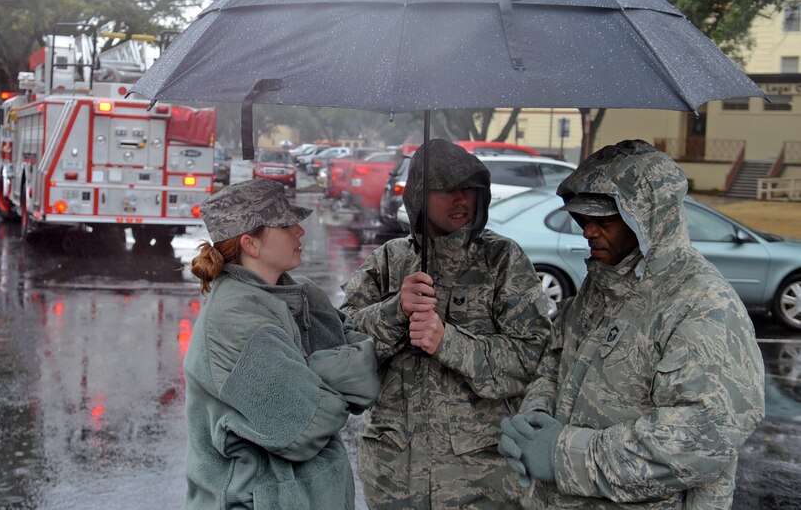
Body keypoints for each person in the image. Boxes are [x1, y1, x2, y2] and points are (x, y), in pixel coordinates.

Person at [499, 139, 765, 509]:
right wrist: (535, 418)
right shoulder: (601, 284)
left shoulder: (702, 305)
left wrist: (564, 455)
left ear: (647, 219)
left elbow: (704, 439)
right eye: (584, 219)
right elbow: (555, 364)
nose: (588, 232)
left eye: (604, 221)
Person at [340, 138, 553, 509]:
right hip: (394, 476)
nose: (462, 200)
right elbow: (340, 350)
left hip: (479, 480)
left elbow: (532, 359)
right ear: (420, 195)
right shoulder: (389, 260)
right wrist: (394, 312)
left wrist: (448, 342)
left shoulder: (502, 261)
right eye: (447, 189)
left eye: (471, 189)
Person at [184, 178, 380, 509]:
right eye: (286, 224)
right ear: (251, 244)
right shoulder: (233, 318)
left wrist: (311, 375)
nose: (300, 231)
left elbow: (364, 371)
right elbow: (304, 426)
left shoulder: (298, 294)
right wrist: (326, 374)